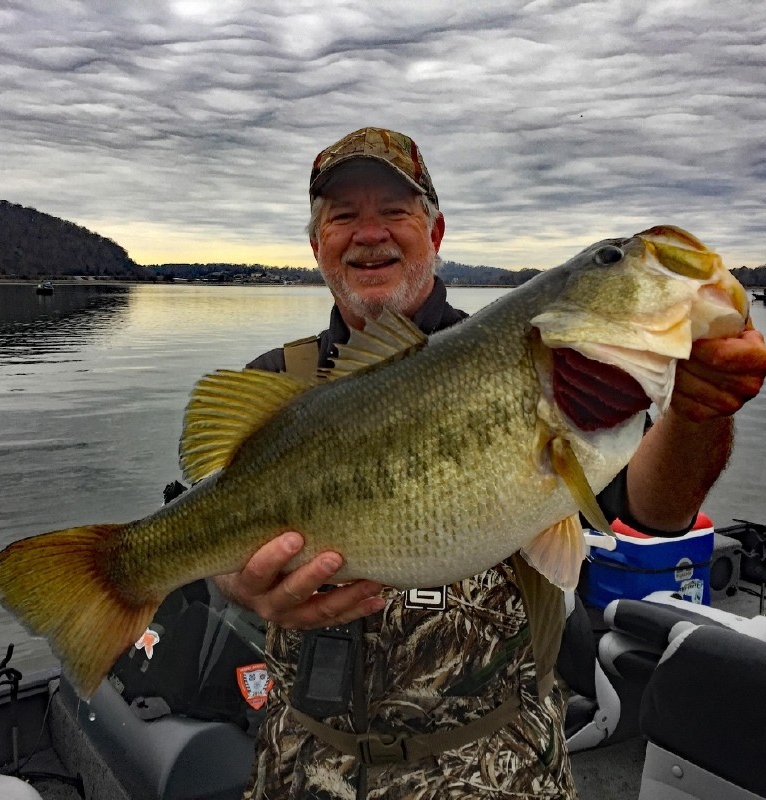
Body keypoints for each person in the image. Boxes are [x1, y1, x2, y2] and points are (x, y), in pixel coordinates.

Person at [213, 127, 766, 799]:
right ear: (316, 244)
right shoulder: (276, 386)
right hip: (304, 763)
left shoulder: (554, 371)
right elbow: (216, 545)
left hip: (494, 764)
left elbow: (657, 511)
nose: (369, 233)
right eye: (343, 216)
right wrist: (234, 584)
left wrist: (698, 412)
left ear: (435, 231)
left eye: (395, 210)